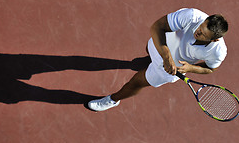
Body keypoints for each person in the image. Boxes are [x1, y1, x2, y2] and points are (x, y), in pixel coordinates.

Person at [88, 8, 228, 111]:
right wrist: (167, 57)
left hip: (167, 71)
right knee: (146, 53)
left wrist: (190, 68)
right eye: (200, 26)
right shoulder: (190, 16)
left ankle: (113, 99)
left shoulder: (218, 52)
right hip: (159, 45)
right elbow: (157, 27)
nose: (197, 31)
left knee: (136, 82)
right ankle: (146, 61)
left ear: (215, 39)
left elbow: (211, 68)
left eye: (203, 34)